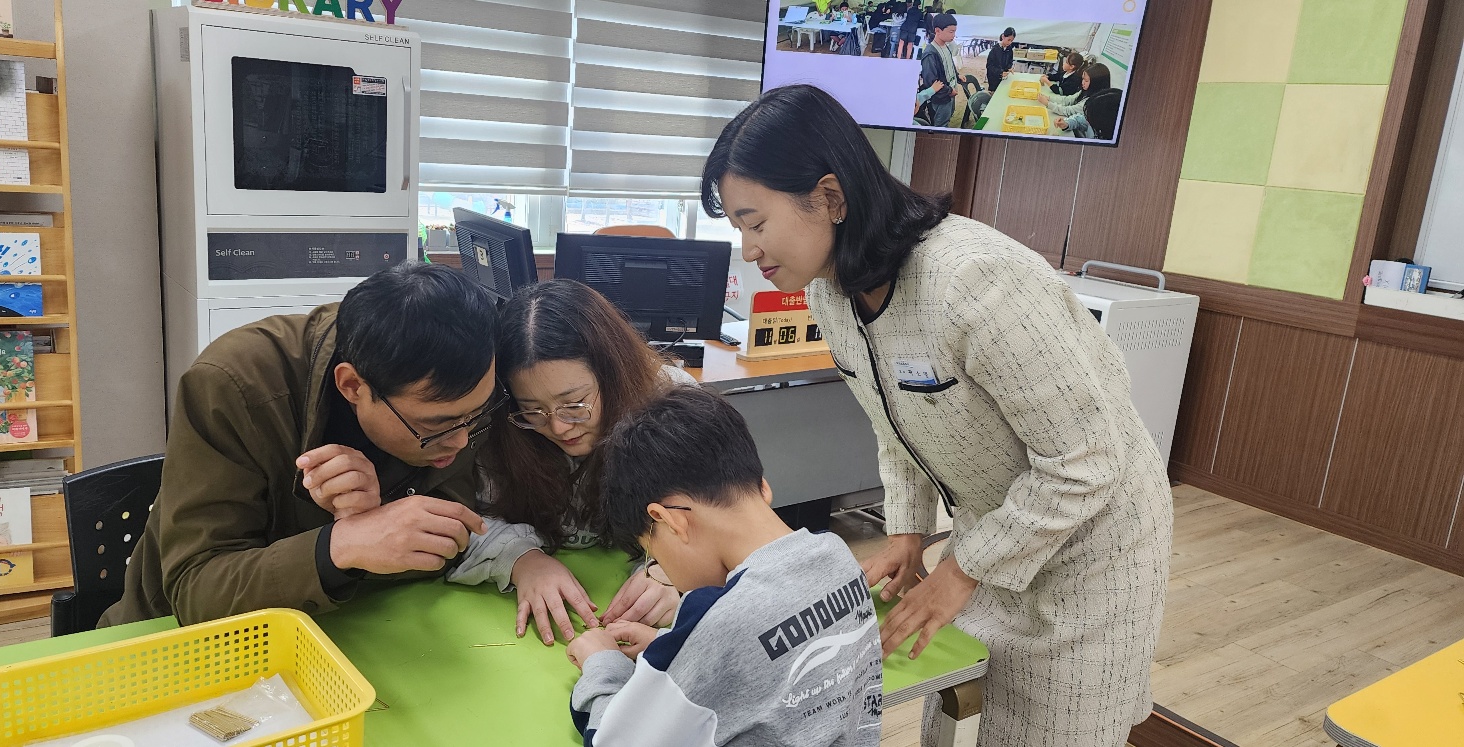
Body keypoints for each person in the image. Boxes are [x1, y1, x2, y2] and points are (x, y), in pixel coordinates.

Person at [701, 84, 1172, 747]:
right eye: (737, 229)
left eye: (755, 222)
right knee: (948, 691)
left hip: (1089, 547)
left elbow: (1087, 458)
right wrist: (909, 533)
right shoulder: (831, 294)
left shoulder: (973, 280)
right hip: (991, 528)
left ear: (831, 198)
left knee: (1051, 728)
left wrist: (959, 570)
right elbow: (896, 422)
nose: (748, 249)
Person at [102, 264, 503, 626]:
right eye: (436, 426)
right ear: (352, 386)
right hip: (176, 647)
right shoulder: (235, 384)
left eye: (476, 414)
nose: (462, 439)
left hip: (362, 628)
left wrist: (378, 519)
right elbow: (197, 593)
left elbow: (453, 535)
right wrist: (341, 545)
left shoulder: (453, 381)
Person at [566, 387, 884, 746]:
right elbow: (769, 656)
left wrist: (603, 664)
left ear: (670, 521)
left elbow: (617, 740)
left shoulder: (715, 616)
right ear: (762, 487)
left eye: (655, 557)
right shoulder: (837, 555)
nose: (663, 570)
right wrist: (671, 645)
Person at [466, 279, 696, 646]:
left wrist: (674, 572)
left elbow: (720, 516)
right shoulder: (497, 425)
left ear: (614, 372)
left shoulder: (672, 405)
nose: (557, 427)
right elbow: (466, 518)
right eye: (533, 410)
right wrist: (522, 559)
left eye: (574, 404)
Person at [1041, 62, 1113, 135]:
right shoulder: (1086, 91)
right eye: (1083, 79)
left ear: (1097, 83)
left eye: (1086, 81)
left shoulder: (1093, 103)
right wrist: (1049, 98)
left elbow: (1068, 110)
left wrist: (1048, 103)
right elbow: (1069, 101)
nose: (1082, 82)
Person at [916, 13, 962, 127]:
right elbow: (932, 82)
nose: (954, 35)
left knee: (948, 115)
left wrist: (957, 76)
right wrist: (949, 91)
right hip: (940, 98)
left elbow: (949, 65)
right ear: (937, 30)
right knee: (941, 124)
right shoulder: (930, 53)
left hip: (949, 92)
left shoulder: (946, 46)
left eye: (955, 31)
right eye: (951, 32)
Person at [986, 27, 1016, 91]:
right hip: (994, 79)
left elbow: (1010, 61)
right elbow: (989, 66)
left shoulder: (1009, 48)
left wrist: (1009, 68)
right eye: (1008, 40)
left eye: (1011, 41)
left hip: (1004, 77)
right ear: (1003, 37)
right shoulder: (995, 50)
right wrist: (1000, 72)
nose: (1010, 42)